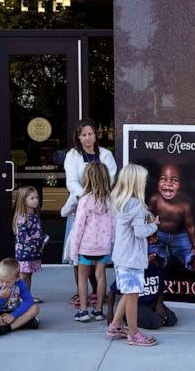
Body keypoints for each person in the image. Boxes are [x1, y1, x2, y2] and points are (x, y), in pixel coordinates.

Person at [62, 118, 117, 308]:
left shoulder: (106, 155)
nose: (88, 138)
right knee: (78, 255)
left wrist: (97, 196)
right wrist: (86, 197)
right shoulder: (72, 155)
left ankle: (97, 293)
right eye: (84, 134)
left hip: (101, 209)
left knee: (99, 256)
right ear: (78, 136)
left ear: (96, 134)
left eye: (91, 134)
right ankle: (81, 292)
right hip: (80, 208)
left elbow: (109, 178)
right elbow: (71, 181)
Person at [107, 164, 159, 346]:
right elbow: (140, 232)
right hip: (132, 259)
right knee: (133, 297)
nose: (145, 183)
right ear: (136, 182)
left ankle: (115, 325)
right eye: (144, 180)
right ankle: (134, 334)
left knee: (128, 294)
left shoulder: (122, 201)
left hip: (122, 257)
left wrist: (148, 217)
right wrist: (155, 225)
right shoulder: (135, 204)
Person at [70, 163, 115, 322]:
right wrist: (111, 244)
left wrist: (73, 250)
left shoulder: (84, 200)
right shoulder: (110, 200)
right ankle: (98, 310)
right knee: (101, 276)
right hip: (103, 247)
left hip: (86, 247)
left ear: (88, 178)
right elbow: (113, 224)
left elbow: (78, 227)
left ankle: (83, 311)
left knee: (82, 277)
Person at [148, 163, 195, 272]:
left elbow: (190, 226)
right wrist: (151, 234)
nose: (168, 183)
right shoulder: (155, 199)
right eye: (163, 179)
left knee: (188, 251)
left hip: (179, 236)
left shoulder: (185, 205)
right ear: (157, 181)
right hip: (159, 233)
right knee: (153, 247)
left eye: (174, 180)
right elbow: (148, 216)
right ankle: (157, 259)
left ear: (182, 185)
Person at [106, 253, 177, 331]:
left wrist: (159, 305)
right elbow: (112, 292)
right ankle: (128, 318)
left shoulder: (156, 269)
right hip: (137, 304)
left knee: (171, 320)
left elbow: (161, 290)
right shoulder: (132, 270)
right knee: (156, 322)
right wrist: (110, 313)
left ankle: (152, 316)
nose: (152, 258)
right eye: (149, 256)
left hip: (152, 302)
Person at [0, 258, 40, 339]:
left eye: (8, 281)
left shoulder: (20, 283)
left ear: (17, 278)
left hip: (15, 312)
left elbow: (28, 301)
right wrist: (1, 298)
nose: (4, 284)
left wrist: (13, 315)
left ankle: (5, 328)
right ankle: (24, 323)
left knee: (35, 308)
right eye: (2, 280)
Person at [13, 186, 49, 303]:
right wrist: (39, 243)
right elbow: (24, 238)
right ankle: (19, 297)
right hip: (25, 253)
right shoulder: (22, 218)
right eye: (32, 198)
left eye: (37, 197)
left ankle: (27, 296)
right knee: (23, 275)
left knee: (29, 274)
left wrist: (41, 240)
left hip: (33, 252)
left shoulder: (34, 216)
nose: (36, 200)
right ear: (23, 201)